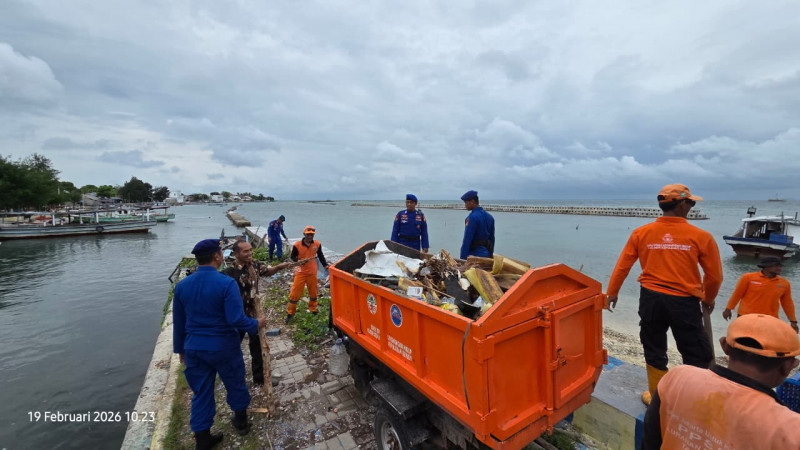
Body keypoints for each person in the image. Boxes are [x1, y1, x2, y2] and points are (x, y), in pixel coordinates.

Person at [605, 184, 723, 405]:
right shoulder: (701, 236)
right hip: (683, 302)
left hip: (650, 298)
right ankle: (691, 400)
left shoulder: (641, 233)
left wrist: (612, 292)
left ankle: (657, 395)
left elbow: (623, 266)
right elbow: (714, 276)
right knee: (695, 352)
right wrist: (708, 298)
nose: (692, 206)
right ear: (681, 205)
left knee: (653, 345)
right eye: (691, 202)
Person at [643, 314, 800, 449]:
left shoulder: (677, 378)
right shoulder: (790, 429)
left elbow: (650, 441)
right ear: (787, 365)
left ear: (725, 346)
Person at [173, 239, 268, 448]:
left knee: (201, 391)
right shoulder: (226, 283)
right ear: (217, 256)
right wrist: (256, 323)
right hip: (223, 345)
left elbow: (178, 323)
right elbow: (236, 319)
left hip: (194, 347)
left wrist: (180, 350)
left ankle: (203, 440)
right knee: (235, 383)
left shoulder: (182, 286)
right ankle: (241, 423)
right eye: (220, 253)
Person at [223, 241, 290, 385]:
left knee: (257, 347)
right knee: (233, 348)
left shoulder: (254, 265)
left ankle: (259, 378)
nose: (249, 254)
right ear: (236, 254)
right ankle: (233, 379)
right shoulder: (229, 273)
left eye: (250, 250)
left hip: (254, 315)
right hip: (238, 316)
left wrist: (279, 267)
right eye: (245, 251)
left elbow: (266, 272)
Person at [723, 256, 798, 333]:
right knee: (742, 340)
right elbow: (737, 294)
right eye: (776, 266)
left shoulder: (784, 283)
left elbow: (787, 303)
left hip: (770, 319)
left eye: (780, 266)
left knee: (763, 343)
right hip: (746, 316)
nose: (779, 268)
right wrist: (728, 309)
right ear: (766, 266)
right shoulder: (748, 277)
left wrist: (793, 321)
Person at [286, 225, 329, 324]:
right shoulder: (297, 245)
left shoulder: (317, 244)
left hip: (312, 271)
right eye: (308, 234)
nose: (310, 236)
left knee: (313, 292)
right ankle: (290, 313)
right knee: (295, 293)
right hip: (300, 271)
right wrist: (299, 261)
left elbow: (321, 255)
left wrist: (326, 265)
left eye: (312, 234)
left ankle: (313, 309)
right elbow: (293, 257)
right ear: (304, 234)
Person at [459, 190, 495, 260]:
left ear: (472, 201)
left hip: (474, 256)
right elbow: (492, 239)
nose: (465, 205)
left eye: (466, 202)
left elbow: (467, 240)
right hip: (486, 255)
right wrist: (490, 256)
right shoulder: (490, 217)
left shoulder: (471, 218)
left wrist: (462, 259)